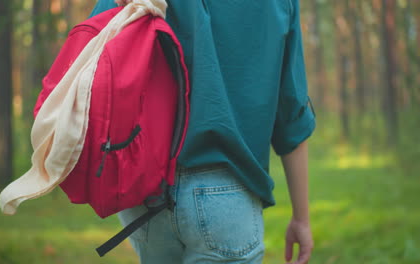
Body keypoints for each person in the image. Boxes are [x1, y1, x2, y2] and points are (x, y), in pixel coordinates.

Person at [90, 0, 316, 263]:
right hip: (227, 195)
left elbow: (93, 54)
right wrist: (301, 218)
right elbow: (292, 113)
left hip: (145, 190)